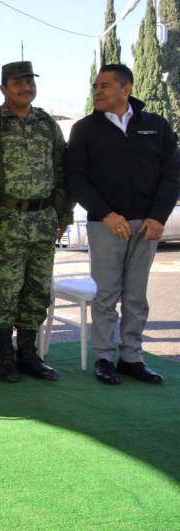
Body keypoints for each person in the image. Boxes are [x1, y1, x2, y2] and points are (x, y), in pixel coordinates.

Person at [66, 64, 180, 385]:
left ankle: (132, 357)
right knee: (107, 295)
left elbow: (172, 174)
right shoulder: (85, 129)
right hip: (106, 224)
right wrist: (105, 213)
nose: (97, 91)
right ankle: (104, 357)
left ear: (126, 89)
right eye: (95, 86)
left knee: (136, 296)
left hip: (146, 225)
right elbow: (75, 177)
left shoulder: (155, 126)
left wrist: (158, 216)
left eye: (104, 86)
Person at [0, 61, 72, 383]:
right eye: (17, 82)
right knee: (7, 290)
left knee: (37, 290)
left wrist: (64, 214)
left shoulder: (47, 124)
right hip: (7, 221)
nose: (25, 86)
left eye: (29, 81)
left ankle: (28, 355)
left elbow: (62, 171)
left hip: (43, 220)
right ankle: (5, 357)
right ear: (4, 88)